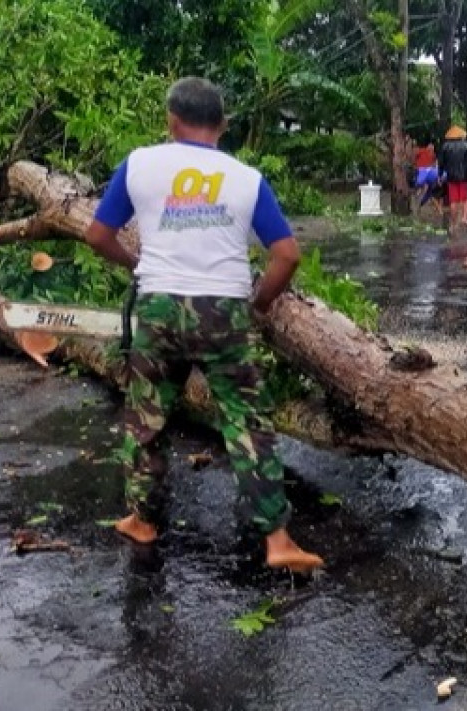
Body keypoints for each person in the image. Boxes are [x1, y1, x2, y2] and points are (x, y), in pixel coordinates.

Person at [81, 77, 323, 572]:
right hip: (224, 310)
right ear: (223, 126)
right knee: (245, 421)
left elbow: (97, 235)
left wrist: (137, 266)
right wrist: (258, 304)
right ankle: (277, 541)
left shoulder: (140, 164)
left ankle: (143, 520)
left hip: (158, 308)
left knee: (147, 420)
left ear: (172, 120)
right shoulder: (246, 178)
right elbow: (287, 254)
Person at [440, 125, 467, 228]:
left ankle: (453, 223)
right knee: (466, 199)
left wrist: (440, 175)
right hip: (464, 177)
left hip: (451, 178)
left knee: (453, 200)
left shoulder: (445, 147)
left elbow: (441, 163)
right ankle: (464, 218)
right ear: (461, 136)